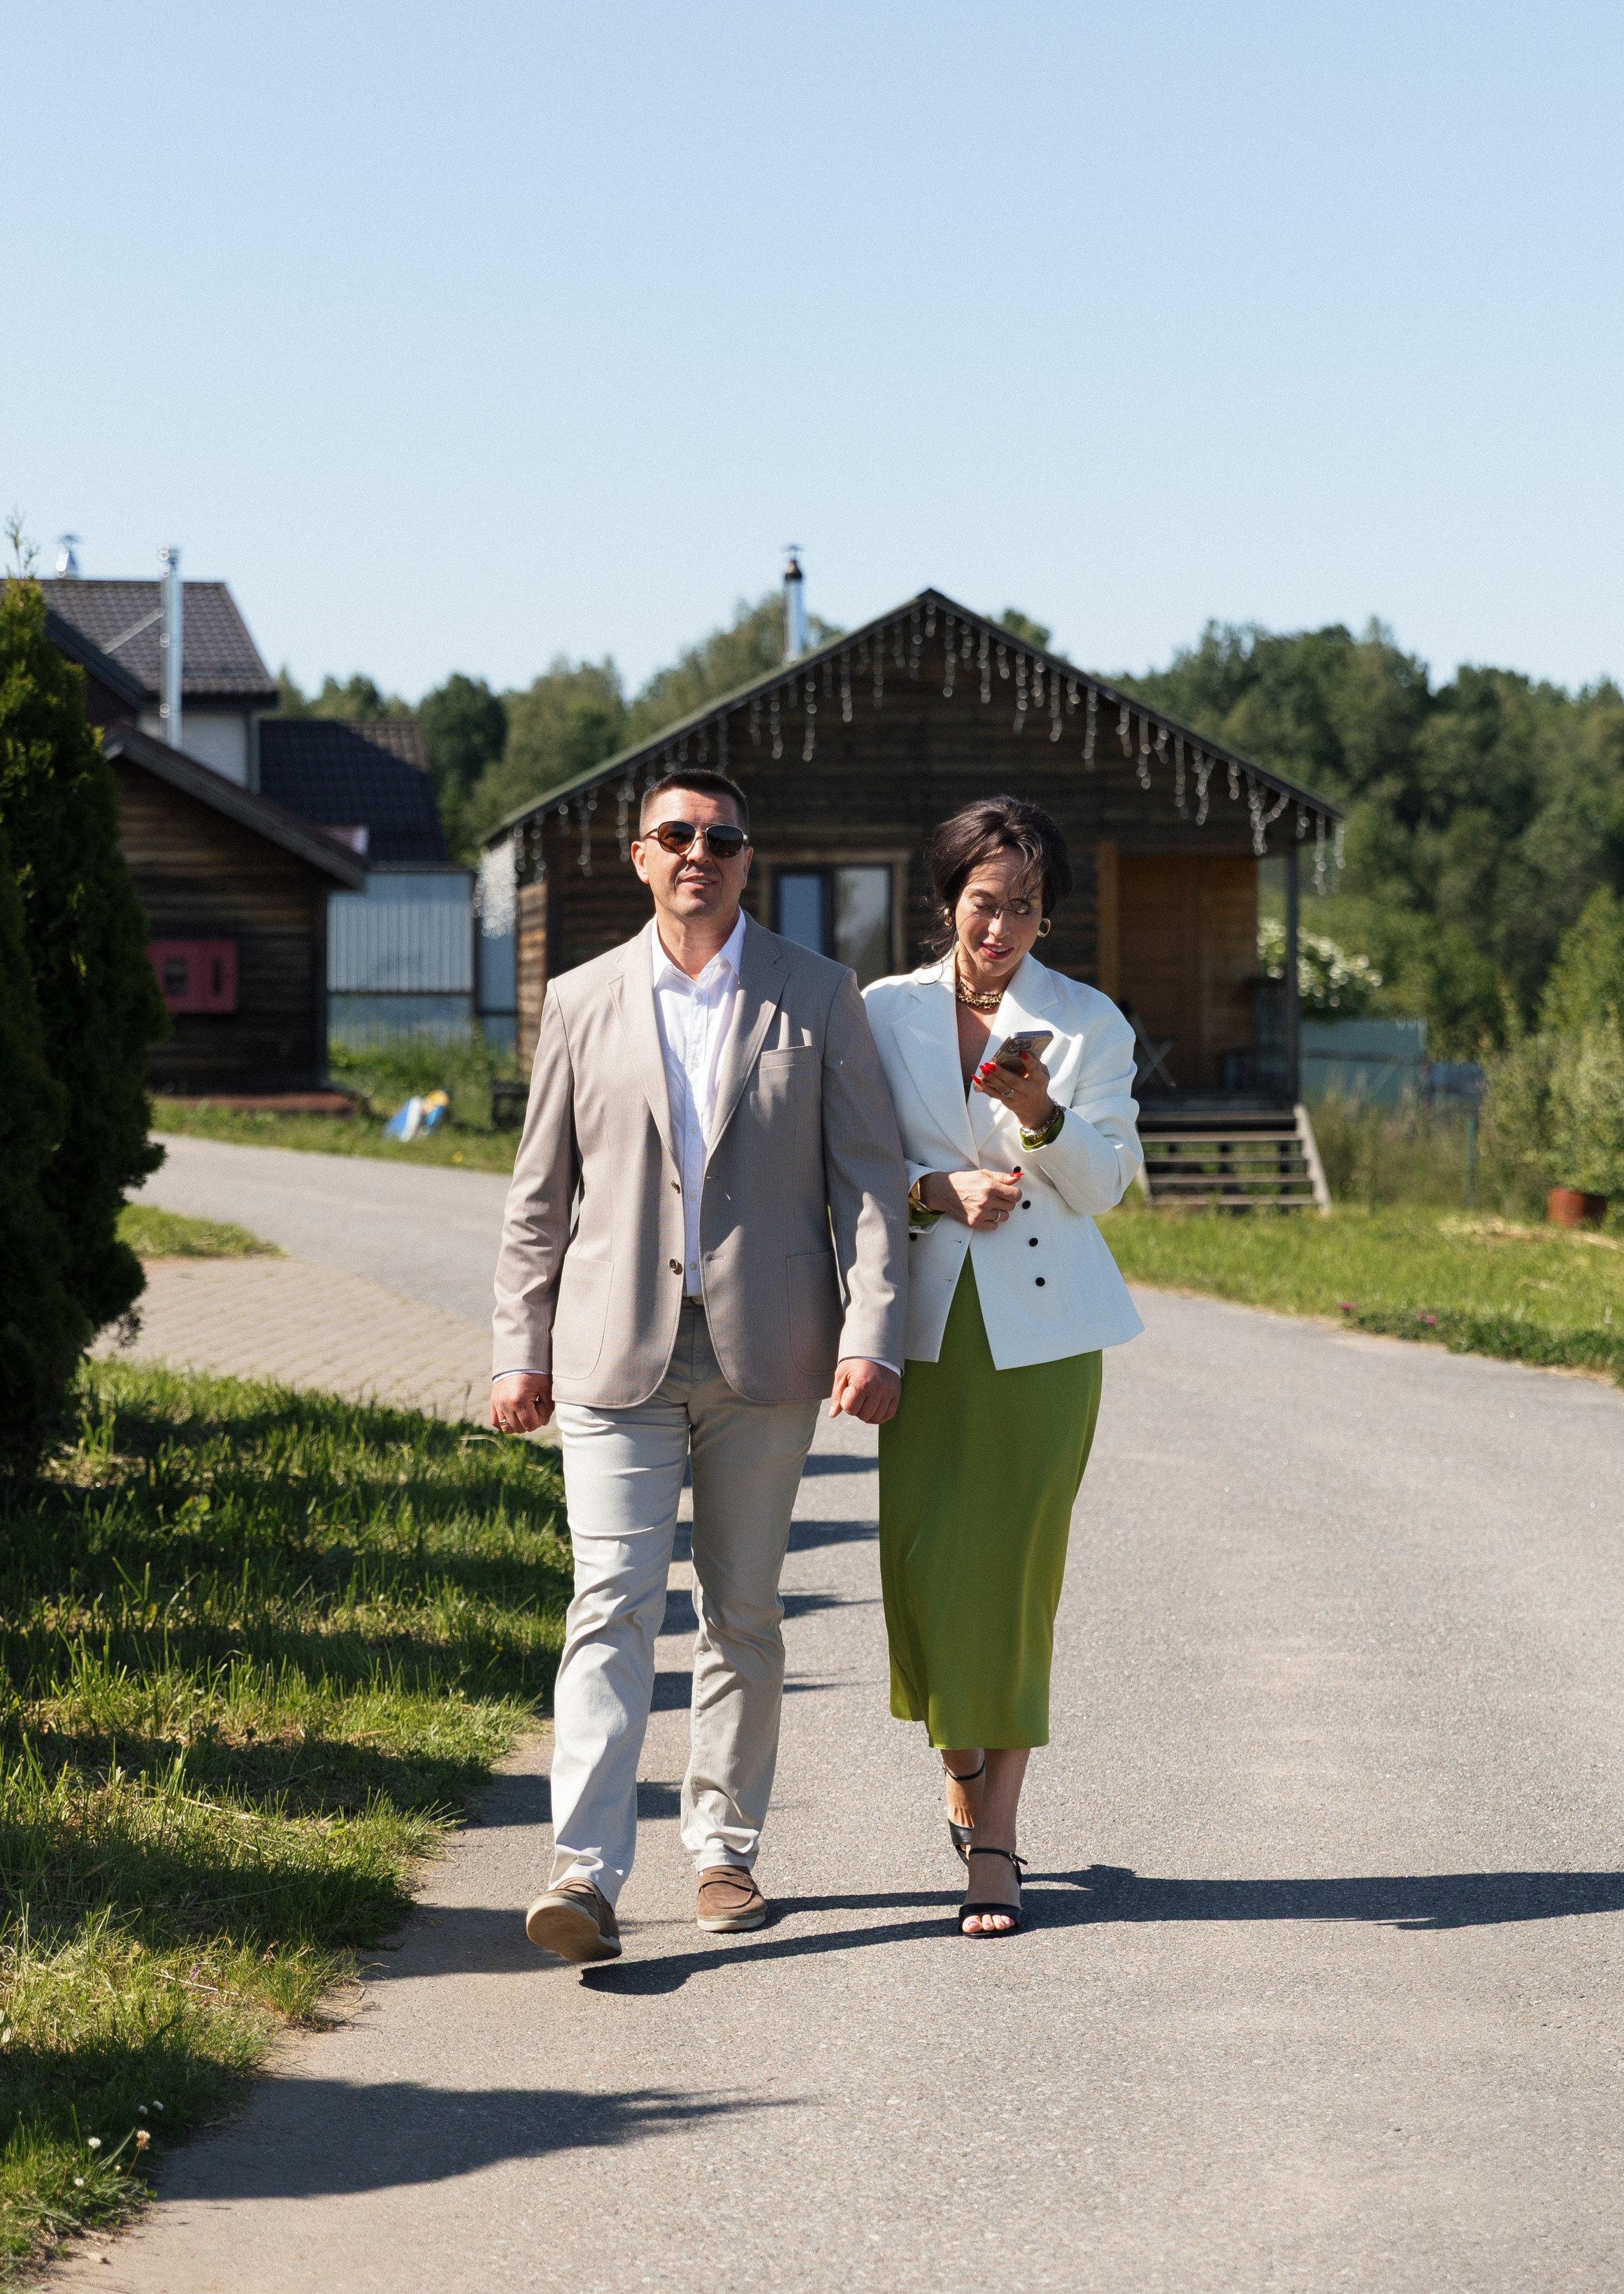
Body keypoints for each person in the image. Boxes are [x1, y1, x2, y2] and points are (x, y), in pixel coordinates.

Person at [489, 769, 907, 1964]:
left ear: (746, 858)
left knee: (742, 1611)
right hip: (612, 1353)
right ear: (638, 856)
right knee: (609, 1603)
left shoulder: (819, 994)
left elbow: (870, 1186)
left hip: (767, 1358)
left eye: (721, 838)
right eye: (676, 835)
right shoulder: (578, 1000)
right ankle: (584, 1873)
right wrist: (518, 1349)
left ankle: (723, 1851)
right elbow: (538, 1201)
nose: (699, 853)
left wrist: (871, 1333)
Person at [860, 795, 1142, 1938]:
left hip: (1047, 1341)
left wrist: (1042, 1117)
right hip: (920, 1331)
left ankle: (1000, 1844)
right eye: (986, 902)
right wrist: (935, 1190)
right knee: (926, 1567)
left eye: (1025, 907)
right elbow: (849, 1166)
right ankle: (961, 1753)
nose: (1003, 927)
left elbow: (1108, 1185)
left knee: (1015, 1577)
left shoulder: (1086, 1022)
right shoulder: (881, 1014)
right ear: (947, 902)